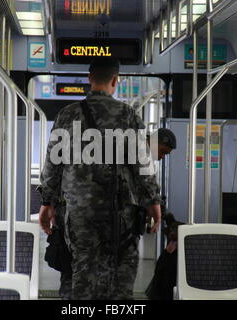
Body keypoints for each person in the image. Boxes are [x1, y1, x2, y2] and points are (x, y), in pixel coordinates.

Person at [38, 57, 162, 300]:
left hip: (78, 213)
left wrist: (47, 203)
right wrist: (153, 203)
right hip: (119, 214)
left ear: (89, 79)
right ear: (115, 80)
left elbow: (52, 164)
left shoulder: (67, 115)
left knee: (80, 272)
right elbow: (144, 167)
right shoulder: (128, 115)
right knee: (118, 274)